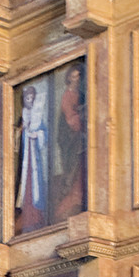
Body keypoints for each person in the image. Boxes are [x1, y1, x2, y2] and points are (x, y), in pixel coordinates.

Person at [53, 64, 87, 220]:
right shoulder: (68, 95)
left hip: (81, 138)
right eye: (73, 77)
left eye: (78, 77)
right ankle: (72, 201)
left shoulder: (81, 94)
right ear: (68, 79)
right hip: (73, 141)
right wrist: (84, 117)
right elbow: (71, 119)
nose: (76, 80)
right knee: (74, 171)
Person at [16, 83, 49, 232]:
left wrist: (37, 135)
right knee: (25, 186)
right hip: (25, 159)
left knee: (35, 186)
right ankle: (26, 216)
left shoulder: (37, 118)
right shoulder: (24, 117)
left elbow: (44, 133)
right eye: (27, 98)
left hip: (34, 157)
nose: (29, 100)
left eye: (31, 97)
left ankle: (36, 216)